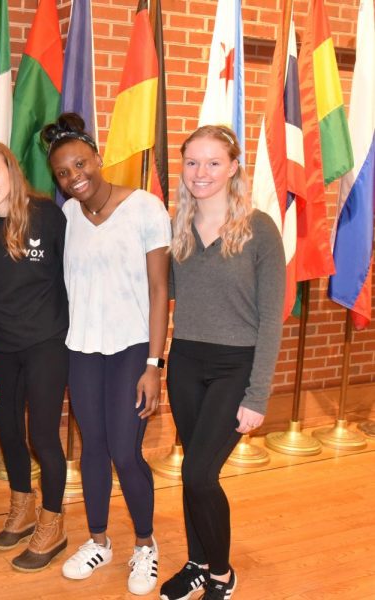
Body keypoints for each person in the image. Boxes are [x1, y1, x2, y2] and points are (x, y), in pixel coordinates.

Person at [42, 113, 170, 596]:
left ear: (98, 157)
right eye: (63, 172)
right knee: (91, 447)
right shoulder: (70, 216)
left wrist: (154, 365)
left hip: (132, 349)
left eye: (80, 163)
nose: (75, 176)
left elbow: (160, 290)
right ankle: (99, 541)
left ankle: (144, 545)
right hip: (83, 348)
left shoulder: (145, 207)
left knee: (124, 449)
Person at [160, 125, 285, 600]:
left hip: (237, 366)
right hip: (187, 362)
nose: (201, 172)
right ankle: (196, 561)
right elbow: (162, 293)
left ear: (234, 167)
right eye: (192, 162)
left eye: (214, 162)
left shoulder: (259, 229)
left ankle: (221, 574)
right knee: (194, 468)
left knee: (198, 474)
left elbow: (272, 319)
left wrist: (257, 395)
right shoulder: (177, 227)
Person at [0, 141, 69, 572]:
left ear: (11, 171)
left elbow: (72, 277)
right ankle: (22, 509)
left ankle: (53, 521)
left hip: (47, 343)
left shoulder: (47, 215)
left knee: (42, 435)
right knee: (7, 432)